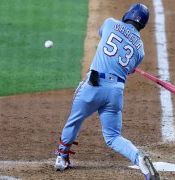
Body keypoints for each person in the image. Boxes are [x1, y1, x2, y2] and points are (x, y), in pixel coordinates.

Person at [54, 3, 160, 180]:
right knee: (113, 137)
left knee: (75, 119)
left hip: (95, 81)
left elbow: (104, 36)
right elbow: (128, 69)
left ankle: (61, 158)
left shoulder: (110, 23)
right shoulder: (140, 50)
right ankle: (139, 158)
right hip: (115, 91)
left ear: (129, 15)